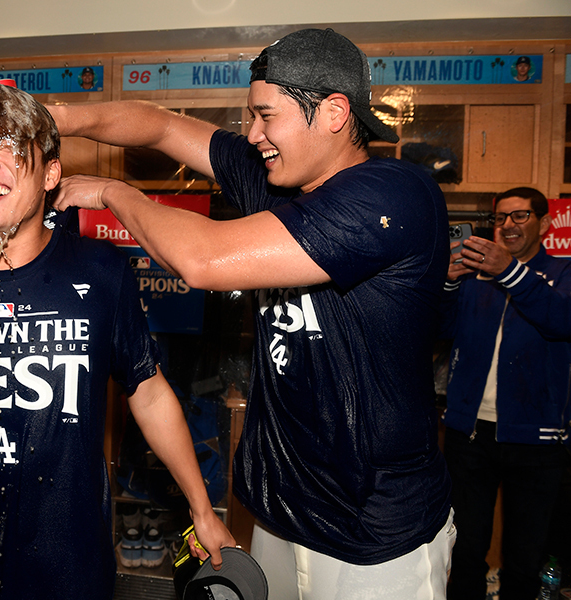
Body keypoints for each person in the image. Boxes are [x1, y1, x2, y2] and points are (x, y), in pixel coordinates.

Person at [48, 27, 454, 599]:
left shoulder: (391, 195)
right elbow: (162, 125)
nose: (253, 135)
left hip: (376, 530)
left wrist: (118, 194)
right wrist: (57, 116)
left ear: (334, 113)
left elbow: (204, 260)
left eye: (266, 116)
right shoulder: (276, 180)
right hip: (283, 514)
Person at [0, 80, 234, 599]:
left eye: (8, 144)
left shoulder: (101, 273)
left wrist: (198, 505)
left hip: (65, 564)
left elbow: (147, 392)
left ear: (51, 172)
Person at [441, 186, 571, 600]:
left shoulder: (563, 273)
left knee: (523, 558)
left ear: (545, 223)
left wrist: (510, 272)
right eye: (500, 218)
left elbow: (560, 322)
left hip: (536, 440)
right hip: (469, 433)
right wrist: (446, 283)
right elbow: (440, 334)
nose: (508, 226)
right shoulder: (478, 276)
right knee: (464, 550)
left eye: (520, 216)